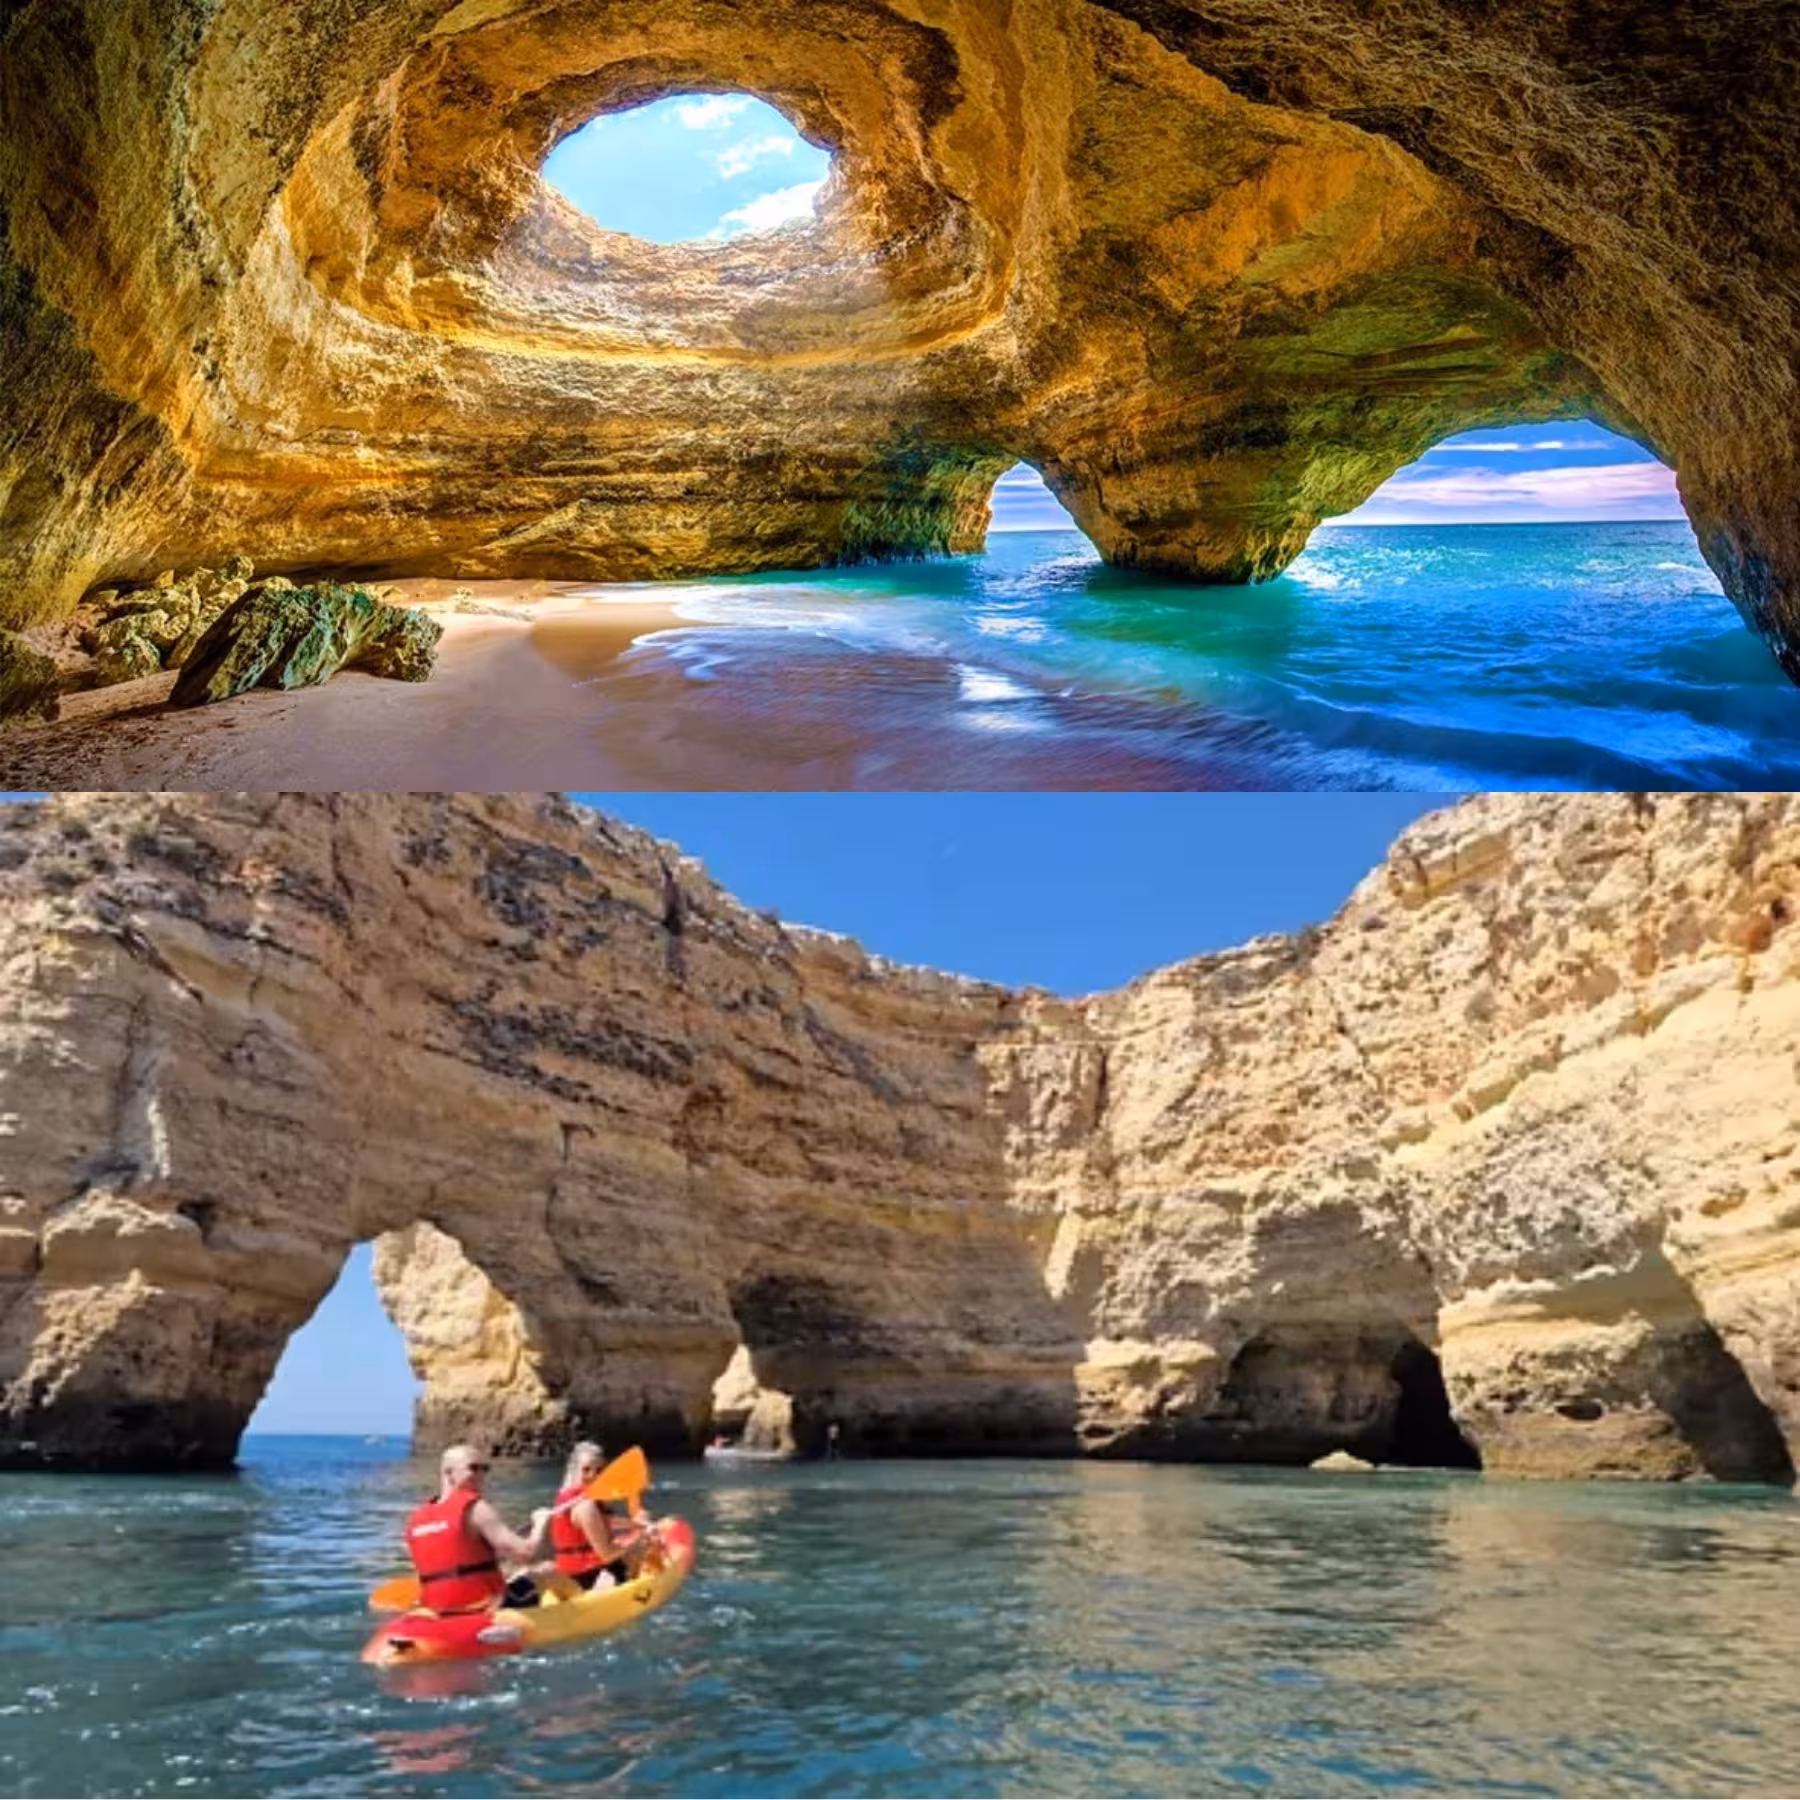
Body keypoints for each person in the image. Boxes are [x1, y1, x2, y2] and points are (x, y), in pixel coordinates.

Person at [404, 1443, 551, 1614]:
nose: (481, 1475)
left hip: (439, 1610)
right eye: (473, 1468)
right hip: (488, 1606)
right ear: (449, 1473)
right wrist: (542, 1521)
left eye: (484, 1468)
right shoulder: (475, 1507)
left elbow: (447, 1568)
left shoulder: (416, 1519)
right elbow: (527, 1553)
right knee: (548, 1571)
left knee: (518, 1572)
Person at [543, 1440, 649, 1592]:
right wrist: (638, 1539)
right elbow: (606, 1555)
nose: (593, 1475)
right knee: (644, 1546)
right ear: (574, 1471)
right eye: (586, 1470)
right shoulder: (585, 1506)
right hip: (590, 1576)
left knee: (633, 1539)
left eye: (599, 1470)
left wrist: (635, 1524)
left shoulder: (568, 1497)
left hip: (574, 1573)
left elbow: (604, 1522)